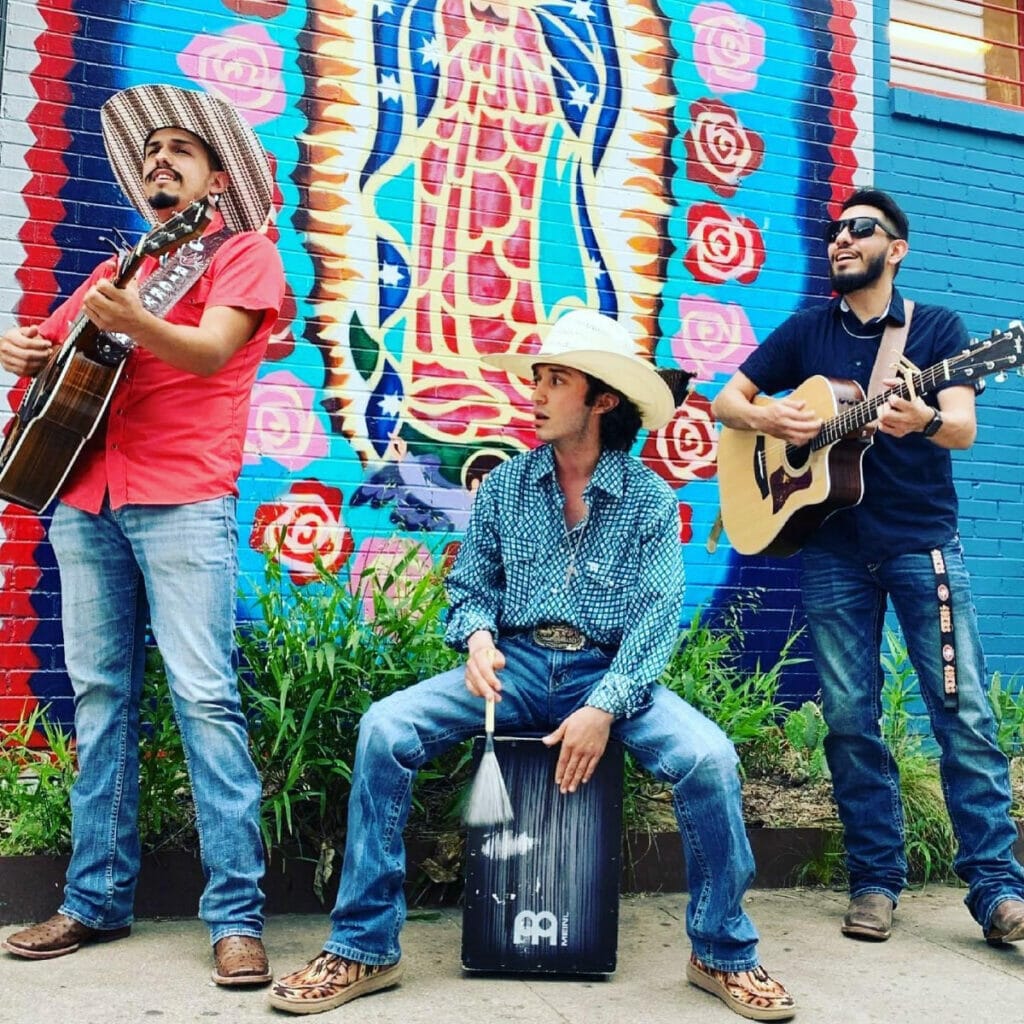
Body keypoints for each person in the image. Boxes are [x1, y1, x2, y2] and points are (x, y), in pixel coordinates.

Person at [269, 309, 797, 1021]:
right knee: (385, 728)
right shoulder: (504, 487)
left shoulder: (649, 501)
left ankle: (721, 951)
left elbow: (654, 621)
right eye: (538, 379)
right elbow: (470, 589)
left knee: (710, 759)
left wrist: (604, 707)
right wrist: (479, 639)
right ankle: (365, 948)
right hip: (511, 667)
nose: (536, 393)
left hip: (608, 674)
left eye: (556, 380)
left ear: (602, 398)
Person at [0, 84, 286, 985]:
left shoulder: (247, 256)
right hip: (85, 497)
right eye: (151, 150)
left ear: (215, 177)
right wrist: (20, 350)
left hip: (182, 499)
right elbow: (54, 358)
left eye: (181, 150)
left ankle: (236, 916)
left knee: (204, 699)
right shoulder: (117, 269)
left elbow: (206, 351)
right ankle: (94, 900)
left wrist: (138, 322)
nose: (161, 159)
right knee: (100, 699)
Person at [713, 188, 1024, 946]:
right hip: (831, 552)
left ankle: (995, 890)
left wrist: (924, 419)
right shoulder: (806, 332)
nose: (841, 241)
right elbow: (727, 401)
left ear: (897, 248)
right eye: (833, 232)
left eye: (861, 229)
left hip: (921, 544)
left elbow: (962, 428)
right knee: (850, 722)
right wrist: (769, 417)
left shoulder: (941, 331)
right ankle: (875, 881)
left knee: (964, 714)